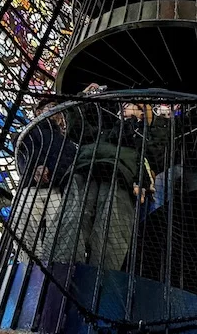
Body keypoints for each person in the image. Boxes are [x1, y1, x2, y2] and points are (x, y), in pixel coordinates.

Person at [50, 93, 168, 271]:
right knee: (73, 219)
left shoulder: (144, 135)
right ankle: (59, 272)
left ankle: (101, 279)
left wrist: (149, 123)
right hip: (86, 168)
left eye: (131, 104)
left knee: (110, 229)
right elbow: (76, 127)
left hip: (120, 175)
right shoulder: (104, 130)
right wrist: (85, 96)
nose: (124, 106)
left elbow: (151, 158)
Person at [12, 101, 78, 265]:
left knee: (56, 235)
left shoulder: (68, 142)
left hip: (56, 190)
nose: (57, 111)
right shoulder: (31, 133)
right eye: (52, 107)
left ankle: (47, 268)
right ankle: (30, 268)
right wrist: (35, 168)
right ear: (38, 112)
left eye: (60, 109)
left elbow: (69, 165)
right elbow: (23, 154)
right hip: (31, 189)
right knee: (22, 229)